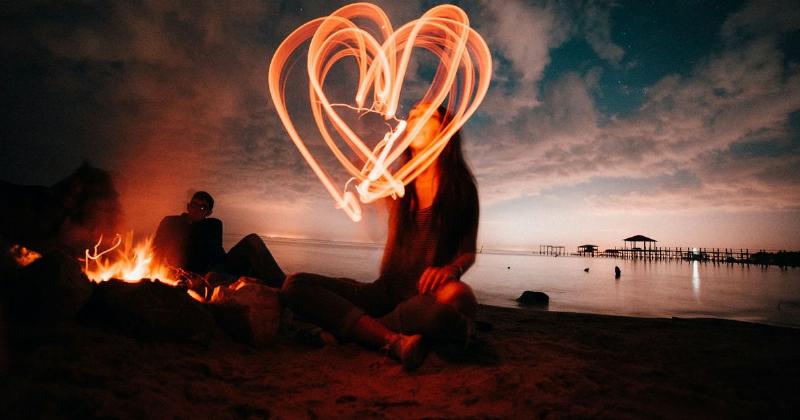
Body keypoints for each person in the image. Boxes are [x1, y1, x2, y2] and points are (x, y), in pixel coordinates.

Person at [282, 103, 479, 370]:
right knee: (295, 285)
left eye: (428, 114)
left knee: (459, 297)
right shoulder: (395, 183)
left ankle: (363, 331)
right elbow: (366, 189)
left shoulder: (461, 190)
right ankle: (389, 337)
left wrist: (451, 270)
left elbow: (468, 252)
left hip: (425, 297)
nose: (416, 118)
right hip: (383, 293)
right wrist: (362, 176)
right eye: (413, 115)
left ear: (445, 130)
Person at [153, 191, 285, 287]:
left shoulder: (213, 224)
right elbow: (156, 248)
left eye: (203, 207)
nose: (197, 209)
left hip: (220, 266)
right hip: (197, 274)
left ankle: (283, 284)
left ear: (208, 213)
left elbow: (213, 252)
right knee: (213, 277)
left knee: (253, 240)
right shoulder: (171, 222)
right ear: (188, 206)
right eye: (194, 204)